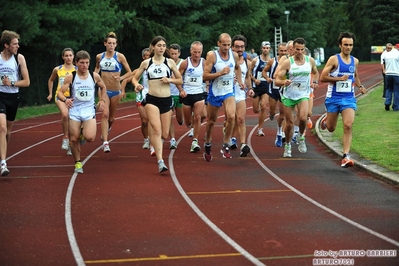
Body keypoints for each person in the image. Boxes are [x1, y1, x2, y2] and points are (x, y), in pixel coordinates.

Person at [132, 36, 182, 173]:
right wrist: (137, 85)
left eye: (164, 45)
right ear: (153, 47)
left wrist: (170, 80)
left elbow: (180, 80)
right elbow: (134, 78)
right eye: (159, 45)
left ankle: (158, 148)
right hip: (151, 99)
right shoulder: (146, 63)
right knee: (156, 129)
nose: (161, 48)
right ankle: (160, 161)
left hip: (166, 100)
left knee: (165, 134)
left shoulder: (170, 62)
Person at [319, 32, 367, 167]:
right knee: (331, 128)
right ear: (340, 45)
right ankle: (326, 121)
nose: (348, 47)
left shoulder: (355, 61)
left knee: (348, 125)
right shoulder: (333, 59)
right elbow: (322, 77)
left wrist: (360, 86)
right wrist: (338, 79)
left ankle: (346, 156)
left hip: (348, 98)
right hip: (333, 98)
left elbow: (355, 75)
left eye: (350, 45)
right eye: (345, 44)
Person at [57, 50, 107, 173]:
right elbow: (59, 92)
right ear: (76, 63)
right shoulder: (71, 76)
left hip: (89, 111)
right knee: (73, 139)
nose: (85, 66)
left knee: (90, 138)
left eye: (87, 63)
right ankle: (78, 162)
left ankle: (82, 134)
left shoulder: (94, 76)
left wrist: (102, 100)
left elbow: (103, 86)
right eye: (82, 63)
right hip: (75, 110)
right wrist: (65, 100)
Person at [202, 33, 245, 162]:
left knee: (232, 117)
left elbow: (237, 68)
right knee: (211, 121)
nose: (226, 47)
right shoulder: (212, 56)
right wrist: (220, 73)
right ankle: (208, 143)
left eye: (228, 45)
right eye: (224, 45)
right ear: (218, 43)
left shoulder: (234, 55)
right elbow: (205, 76)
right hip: (215, 92)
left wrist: (240, 80)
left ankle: (225, 144)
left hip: (228, 91)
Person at [275, 37, 319, 158]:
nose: (299, 52)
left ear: (304, 49)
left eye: (302, 49)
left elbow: (316, 72)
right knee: (289, 124)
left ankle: (301, 136)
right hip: (289, 95)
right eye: (297, 49)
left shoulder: (310, 61)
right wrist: (284, 82)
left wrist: (315, 82)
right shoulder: (288, 62)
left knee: (303, 118)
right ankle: (288, 145)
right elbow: (277, 80)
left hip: (303, 94)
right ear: (293, 49)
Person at [95, 31, 132, 153]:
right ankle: (106, 142)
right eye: (109, 43)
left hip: (115, 91)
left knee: (111, 118)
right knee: (104, 114)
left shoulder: (120, 57)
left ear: (116, 45)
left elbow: (130, 72)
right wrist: (93, 79)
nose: (111, 45)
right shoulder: (99, 57)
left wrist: (120, 78)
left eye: (113, 43)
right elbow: (96, 70)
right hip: (104, 90)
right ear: (105, 44)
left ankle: (108, 127)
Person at [0, 30, 30, 176]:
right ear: (6, 45)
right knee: (2, 127)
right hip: (0, 96)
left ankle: (2, 150)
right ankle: (3, 163)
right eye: (15, 44)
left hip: (13, 97)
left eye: (18, 44)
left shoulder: (19, 58)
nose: (18, 46)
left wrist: (11, 82)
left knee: (8, 131)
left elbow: (26, 82)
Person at [47, 48, 77, 156]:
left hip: (73, 97)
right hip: (60, 96)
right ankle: (65, 137)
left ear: (73, 57)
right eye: (66, 56)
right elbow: (51, 80)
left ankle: (70, 144)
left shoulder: (77, 70)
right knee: (65, 115)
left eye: (70, 55)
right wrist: (50, 93)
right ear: (63, 57)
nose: (68, 58)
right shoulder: (58, 69)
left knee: (73, 121)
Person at [178, 41, 206, 153]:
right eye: (195, 52)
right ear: (191, 51)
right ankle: (191, 126)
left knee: (198, 116)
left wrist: (208, 85)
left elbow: (208, 74)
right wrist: (181, 90)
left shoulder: (204, 62)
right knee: (189, 122)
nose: (197, 54)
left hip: (199, 92)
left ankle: (195, 141)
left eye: (199, 52)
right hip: (187, 94)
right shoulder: (185, 63)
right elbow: (178, 78)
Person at [122, 48, 152, 150]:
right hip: (141, 96)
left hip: (154, 95)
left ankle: (155, 139)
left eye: (150, 56)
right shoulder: (138, 70)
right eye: (147, 56)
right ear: (143, 57)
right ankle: (146, 140)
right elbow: (126, 80)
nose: (149, 58)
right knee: (144, 121)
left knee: (154, 120)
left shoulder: (158, 68)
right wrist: (123, 91)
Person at [230, 34, 252, 157]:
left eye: (242, 47)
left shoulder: (247, 63)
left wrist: (250, 88)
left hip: (240, 94)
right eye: (237, 47)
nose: (239, 49)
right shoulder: (227, 61)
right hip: (227, 94)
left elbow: (247, 77)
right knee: (230, 119)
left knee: (241, 119)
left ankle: (243, 144)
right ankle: (230, 136)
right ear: (232, 47)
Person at [261, 42, 287, 147]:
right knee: (272, 111)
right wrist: (267, 78)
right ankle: (271, 114)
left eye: (285, 50)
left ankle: (280, 134)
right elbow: (264, 71)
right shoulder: (272, 61)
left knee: (282, 115)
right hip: (273, 90)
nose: (283, 52)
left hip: (283, 90)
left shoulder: (289, 62)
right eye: (281, 50)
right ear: (278, 51)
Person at [250, 41, 272, 137]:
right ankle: (260, 114)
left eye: (267, 48)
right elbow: (248, 73)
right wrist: (254, 80)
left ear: (269, 49)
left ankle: (260, 128)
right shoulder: (255, 60)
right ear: (261, 49)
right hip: (256, 87)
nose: (265, 50)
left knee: (263, 106)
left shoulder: (272, 61)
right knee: (255, 110)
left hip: (266, 87)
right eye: (264, 48)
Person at [168, 43, 184, 149]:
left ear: (179, 53)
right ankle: (172, 139)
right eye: (172, 53)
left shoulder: (183, 63)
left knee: (179, 119)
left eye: (175, 54)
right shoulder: (166, 62)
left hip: (179, 94)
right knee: (169, 117)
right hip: (168, 94)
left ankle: (184, 120)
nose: (173, 56)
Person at [381, 42, 399, 111]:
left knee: (389, 89)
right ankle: (396, 107)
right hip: (396, 74)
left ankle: (387, 102)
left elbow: (382, 63)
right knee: (396, 90)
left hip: (388, 74)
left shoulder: (385, 54)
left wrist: (384, 70)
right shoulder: (397, 53)